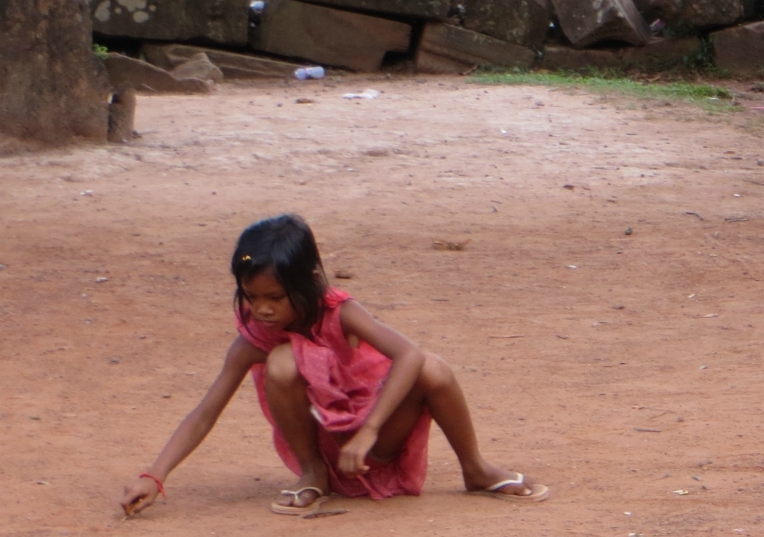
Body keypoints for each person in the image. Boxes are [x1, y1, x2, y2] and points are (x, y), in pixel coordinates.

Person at [118, 215, 546, 519]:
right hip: (328, 451)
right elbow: (205, 411)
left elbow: (409, 355)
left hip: (371, 445)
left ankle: (475, 468)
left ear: (309, 283)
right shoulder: (254, 340)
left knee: (433, 367)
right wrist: (154, 476)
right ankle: (312, 475)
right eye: (252, 297)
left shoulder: (340, 312)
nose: (263, 310)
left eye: (276, 298)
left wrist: (370, 430)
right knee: (283, 360)